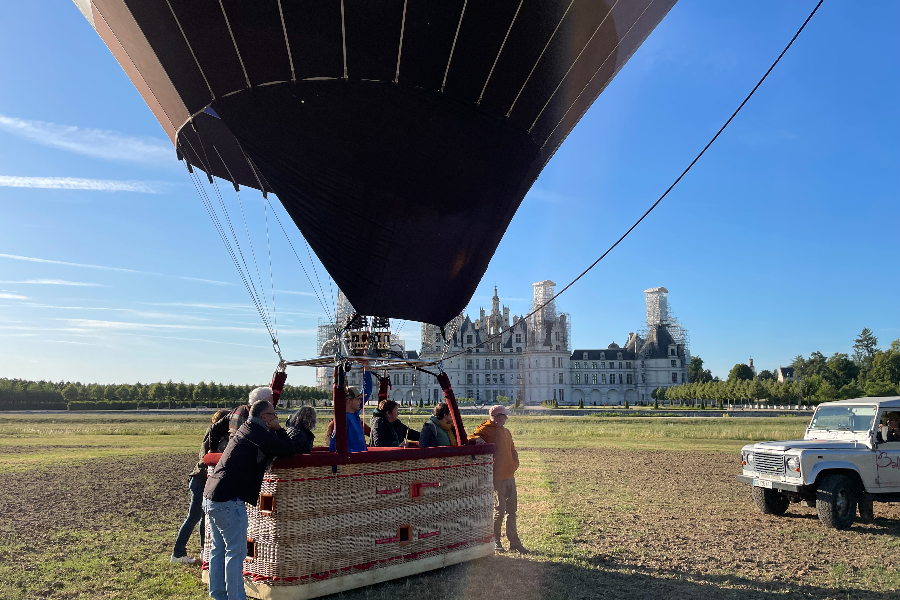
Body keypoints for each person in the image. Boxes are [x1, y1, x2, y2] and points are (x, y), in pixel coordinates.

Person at [203, 401, 294, 600]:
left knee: (218, 549)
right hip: (229, 500)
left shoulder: (245, 429)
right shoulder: (258, 434)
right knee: (236, 552)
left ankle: (218, 594)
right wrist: (279, 429)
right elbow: (288, 448)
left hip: (211, 495)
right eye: (273, 415)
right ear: (264, 417)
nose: (276, 418)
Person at [170, 408, 230, 564]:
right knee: (193, 517)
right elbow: (207, 457)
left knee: (204, 519)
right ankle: (178, 554)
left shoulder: (220, 435)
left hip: (204, 481)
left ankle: (205, 551)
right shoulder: (213, 434)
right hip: (200, 480)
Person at [468, 404, 528, 554]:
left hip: (509, 477)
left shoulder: (506, 432)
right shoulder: (484, 430)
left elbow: (513, 451)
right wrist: (476, 440)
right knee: (499, 511)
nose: (506, 418)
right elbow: (469, 438)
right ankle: (496, 541)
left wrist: (514, 464)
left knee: (512, 511)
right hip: (496, 478)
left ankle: (514, 542)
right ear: (495, 417)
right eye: (503, 416)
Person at [328, 386, 368, 452]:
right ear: (349, 401)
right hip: (352, 460)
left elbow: (367, 390)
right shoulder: (343, 419)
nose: (360, 402)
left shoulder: (355, 415)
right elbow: (333, 446)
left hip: (360, 458)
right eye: (357, 399)